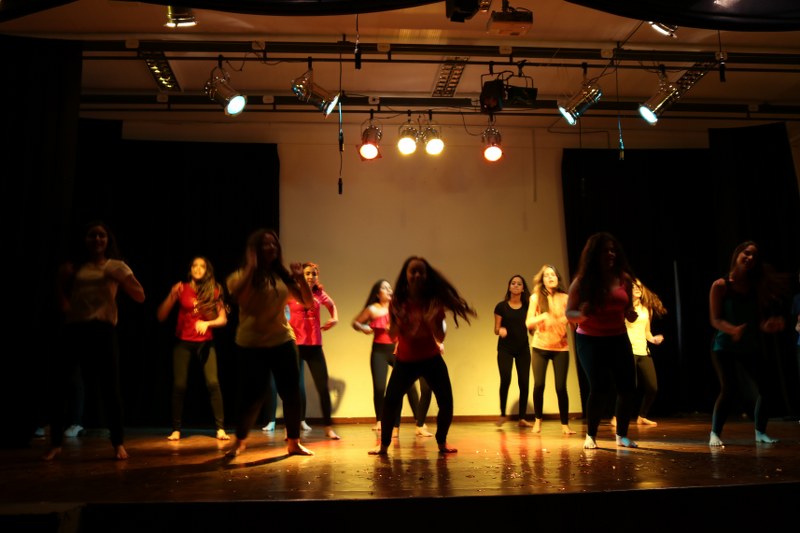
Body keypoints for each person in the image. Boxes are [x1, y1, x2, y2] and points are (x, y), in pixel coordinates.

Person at [44, 220, 146, 461]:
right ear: (85, 240)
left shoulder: (115, 265)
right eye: (92, 235)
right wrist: (60, 282)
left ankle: (118, 443)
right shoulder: (75, 267)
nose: (97, 239)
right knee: (61, 385)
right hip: (75, 328)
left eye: (101, 235)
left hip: (103, 329)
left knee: (110, 387)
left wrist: (123, 278)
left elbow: (140, 296)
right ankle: (56, 443)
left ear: (108, 240)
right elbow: (64, 304)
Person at [369, 256, 476, 455]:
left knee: (446, 402)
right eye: (413, 271)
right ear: (406, 275)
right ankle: (383, 446)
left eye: (421, 271)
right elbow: (392, 335)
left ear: (426, 276)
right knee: (390, 402)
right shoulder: (398, 301)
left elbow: (440, 336)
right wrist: (399, 321)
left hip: (431, 359)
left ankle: (442, 442)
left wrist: (431, 320)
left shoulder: (432, 301)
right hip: (405, 361)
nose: (417, 275)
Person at [224, 228, 314, 457]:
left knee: (292, 393)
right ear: (254, 249)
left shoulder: (280, 276)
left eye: (274, 243)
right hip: (251, 344)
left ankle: (293, 442)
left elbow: (308, 302)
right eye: (266, 244)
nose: (271, 247)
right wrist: (251, 268)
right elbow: (236, 297)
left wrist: (300, 278)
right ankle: (240, 440)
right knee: (252, 397)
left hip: (282, 340)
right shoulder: (238, 277)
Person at [708, 241, 786, 446]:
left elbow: (756, 320)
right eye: (747, 253)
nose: (750, 258)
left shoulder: (754, 287)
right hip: (723, 346)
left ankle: (760, 432)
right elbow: (715, 319)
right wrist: (732, 329)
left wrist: (766, 326)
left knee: (767, 387)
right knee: (729, 388)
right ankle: (715, 433)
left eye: (754, 256)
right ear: (737, 254)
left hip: (748, 345)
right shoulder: (720, 285)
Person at [566, 232, 638, 449]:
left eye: (613, 250)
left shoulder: (624, 279)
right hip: (590, 340)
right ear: (594, 254)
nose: (611, 254)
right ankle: (591, 435)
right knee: (599, 388)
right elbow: (569, 313)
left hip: (618, 338)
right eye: (606, 250)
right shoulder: (582, 282)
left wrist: (630, 314)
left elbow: (627, 307)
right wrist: (582, 315)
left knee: (627, 387)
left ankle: (621, 435)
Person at [156, 256, 230, 441]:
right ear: (190, 270)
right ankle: (176, 429)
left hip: (205, 343)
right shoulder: (181, 288)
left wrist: (208, 323)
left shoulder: (214, 290)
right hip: (183, 342)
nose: (198, 268)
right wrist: (171, 295)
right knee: (179, 385)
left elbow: (223, 319)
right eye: (194, 265)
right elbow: (161, 316)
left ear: (207, 270)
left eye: (202, 266)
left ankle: (220, 429)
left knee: (213, 383)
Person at [352, 279, 432, 437]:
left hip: (397, 350)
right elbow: (356, 323)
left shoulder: (397, 307)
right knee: (379, 387)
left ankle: (419, 422)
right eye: (385, 288)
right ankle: (379, 421)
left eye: (390, 287)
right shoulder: (372, 309)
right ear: (377, 293)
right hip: (379, 351)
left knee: (409, 387)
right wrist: (363, 327)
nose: (389, 290)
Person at [287, 262, 341, 440]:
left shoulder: (319, 294)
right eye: (307, 273)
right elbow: (278, 310)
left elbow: (332, 306)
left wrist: (334, 319)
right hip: (296, 345)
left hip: (315, 345)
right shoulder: (291, 293)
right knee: (293, 388)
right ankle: (291, 428)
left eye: (314, 274)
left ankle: (328, 427)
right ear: (301, 276)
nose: (311, 277)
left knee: (323, 388)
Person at [526, 265, 576, 435]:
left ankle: (565, 424)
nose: (550, 277)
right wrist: (543, 316)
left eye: (553, 275)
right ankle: (537, 421)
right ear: (543, 280)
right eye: (546, 275)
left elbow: (574, 325)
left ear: (557, 278)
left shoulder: (565, 298)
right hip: (540, 347)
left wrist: (571, 320)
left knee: (561, 387)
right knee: (539, 385)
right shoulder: (536, 298)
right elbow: (528, 323)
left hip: (561, 348)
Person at [620, 278, 667, 427]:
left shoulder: (646, 310)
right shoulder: (623, 308)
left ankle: (642, 416)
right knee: (628, 387)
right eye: (633, 286)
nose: (637, 288)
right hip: (629, 351)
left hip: (643, 351)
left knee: (653, 387)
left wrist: (653, 339)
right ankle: (617, 416)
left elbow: (647, 332)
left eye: (639, 286)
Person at [493, 274, 533, 428]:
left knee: (524, 382)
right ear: (509, 287)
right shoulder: (501, 307)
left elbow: (531, 330)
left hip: (523, 348)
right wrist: (500, 330)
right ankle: (503, 414)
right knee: (506, 378)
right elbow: (496, 329)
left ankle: (522, 418)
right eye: (513, 283)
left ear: (523, 289)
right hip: (505, 349)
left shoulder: (528, 307)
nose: (516, 285)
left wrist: (535, 329)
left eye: (519, 284)